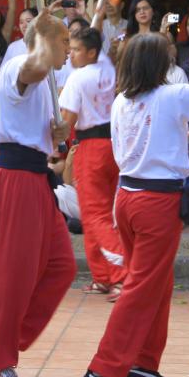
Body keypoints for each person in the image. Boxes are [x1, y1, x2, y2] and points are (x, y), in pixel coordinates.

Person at [81, 32, 189, 377]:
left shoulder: (123, 100)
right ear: (159, 64)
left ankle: (142, 360)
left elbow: (139, 142)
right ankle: (104, 368)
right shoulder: (174, 94)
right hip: (156, 203)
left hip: (128, 197)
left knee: (156, 281)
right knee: (142, 284)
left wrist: (178, 142)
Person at [0, 10, 75, 377]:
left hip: (36, 177)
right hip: (16, 178)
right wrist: (45, 33)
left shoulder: (45, 78)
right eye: (66, 41)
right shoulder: (22, 63)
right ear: (48, 40)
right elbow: (34, 65)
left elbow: (43, 133)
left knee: (61, 266)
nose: (69, 49)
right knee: (13, 276)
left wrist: (57, 131)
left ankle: (0, 334)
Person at [59, 27, 125, 301]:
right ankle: (102, 276)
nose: (71, 54)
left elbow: (68, 120)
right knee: (98, 212)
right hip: (114, 145)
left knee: (95, 214)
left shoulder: (78, 78)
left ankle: (122, 276)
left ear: (91, 52)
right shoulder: (110, 70)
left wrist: (54, 137)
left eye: (75, 49)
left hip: (91, 148)